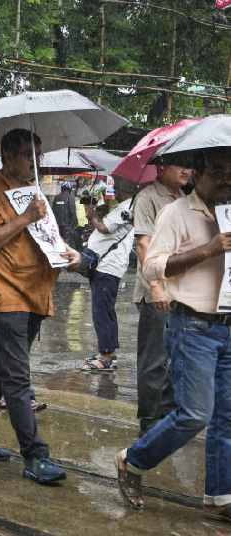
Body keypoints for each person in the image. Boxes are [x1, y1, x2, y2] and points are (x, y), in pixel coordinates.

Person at [0, 129, 80, 485]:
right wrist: (24, 217)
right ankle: (35, 454)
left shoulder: (36, 193)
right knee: (16, 378)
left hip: (33, 295)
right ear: (7, 157)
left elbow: (47, 237)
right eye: (27, 154)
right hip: (2, 297)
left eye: (37, 155)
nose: (34, 161)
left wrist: (66, 254)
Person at [115, 148, 231, 524]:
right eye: (217, 172)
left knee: (227, 418)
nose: (226, 180)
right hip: (193, 327)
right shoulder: (176, 213)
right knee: (195, 414)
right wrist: (209, 249)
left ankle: (219, 496)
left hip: (228, 326)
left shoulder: (230, 214)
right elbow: (153, 267)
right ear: (197, 174)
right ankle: (133, 459)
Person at [133, 163, 191, 435]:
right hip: (156, 291)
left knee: (177, 356)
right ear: (162, 166)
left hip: (182, 291)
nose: (187, 170)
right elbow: (143, 244)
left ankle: (168, 418)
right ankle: (150, 422)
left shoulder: (185, 200)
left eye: (190, 166)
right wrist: (155, 286)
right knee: (154, 360)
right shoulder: (148, 198)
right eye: (181, 164)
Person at [80, 188, 134, 372]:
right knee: (105, 312)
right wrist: (92, 209)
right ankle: (107, 352)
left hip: (108, 266)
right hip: (107, 266)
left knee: (102, 313)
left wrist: (94, 216)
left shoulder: (128, 206)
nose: (116, 187)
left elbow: (104, 227)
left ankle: (106, 357)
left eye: (119, 183)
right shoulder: (123, 206)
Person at [53, 182, 78, 250]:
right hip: (67, 226)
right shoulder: (70, 197)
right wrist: (74, 224)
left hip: (57, 225)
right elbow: (72, 211)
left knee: (59, 241)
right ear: (69, 189)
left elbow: (53, 211)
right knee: (67, 243)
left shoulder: (56, 197)